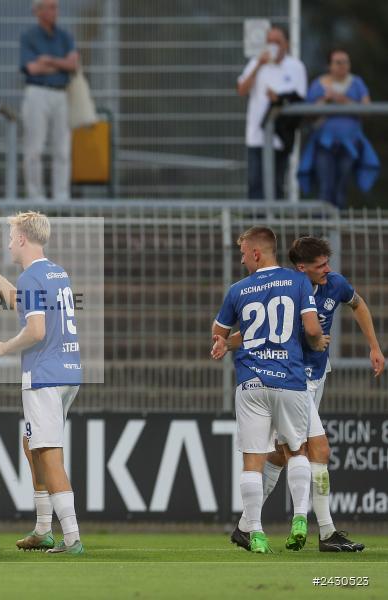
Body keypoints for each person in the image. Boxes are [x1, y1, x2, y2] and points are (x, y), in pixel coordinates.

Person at [223, 236, 381, 552]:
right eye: (320, 266)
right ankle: (326, 532)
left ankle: (245, 526)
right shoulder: (290, 286)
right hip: (293, 379)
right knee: (318, 450)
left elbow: (358, 304)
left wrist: (374, 346)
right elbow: (265, 329)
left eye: (327, 263)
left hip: (317, 376)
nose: (327, 270)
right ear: (301, 268)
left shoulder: (334, 284)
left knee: (284, 454)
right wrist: (226, 342)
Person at [0, 211, 85, 554]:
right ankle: (43, 528)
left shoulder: (32, 276)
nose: (8, 243)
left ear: (21, 238)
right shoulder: (54, 272)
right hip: (68, 371)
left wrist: (3, 347)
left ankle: (72, 537)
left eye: (10, 237)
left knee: (48, 453)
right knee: (31, 442)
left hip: (44, 374)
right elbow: (25, 304)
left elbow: (36, 331)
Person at [210, 227, 327, 554]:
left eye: (244, 253)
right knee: (296, 450)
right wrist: (317, 343)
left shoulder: (238, 290)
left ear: (257, 253)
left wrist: (223, 343)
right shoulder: (298, 281)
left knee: (253, 461)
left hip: (251, 384)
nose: (243, 259)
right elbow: (312, 328)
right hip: (290, 381)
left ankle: (257, 533)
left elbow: (219, 333)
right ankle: (301, 518)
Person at [298, 49, 379, 209]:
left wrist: (341, 100)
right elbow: (307, 114)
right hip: (324, 143)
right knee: (325, 186)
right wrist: (325, 101)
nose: (343, 66)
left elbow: (368, 109)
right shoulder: (318, 84)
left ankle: (337, 229)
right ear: (329, 65)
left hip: (350, 143)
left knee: (341, 187)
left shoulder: (357, 83)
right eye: (338, 62)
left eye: (346, 62)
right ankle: (321, 230)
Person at [237, 25, 307, 200]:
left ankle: (274, 224)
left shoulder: (296, 67)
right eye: (269, 42)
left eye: (277, 42)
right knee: (255, 183)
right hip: (256, 136)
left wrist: (278, 99)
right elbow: (242, 90)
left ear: (287, 44)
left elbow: (299, 101)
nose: (273, 46)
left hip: (280, 137)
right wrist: (259, 65)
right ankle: (255, 225)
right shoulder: (256, 62)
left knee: (276, 183)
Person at [19, 0, 79, 201]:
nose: (55, 11)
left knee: (62, 148)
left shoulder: (65, 36)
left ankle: (62, 197)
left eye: (56, 6)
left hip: (61, 93)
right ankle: (36, 197)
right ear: (38, 11)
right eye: (51, 7)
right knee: (34, 148)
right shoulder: (29, 36)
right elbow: (32, 68)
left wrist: (50, 61)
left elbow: (73, 64)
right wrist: (60, 64)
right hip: (37, 92)